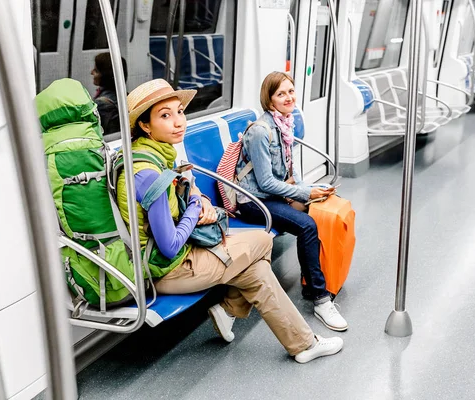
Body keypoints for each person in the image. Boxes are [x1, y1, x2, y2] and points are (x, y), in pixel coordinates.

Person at [116, 79, 343, 363]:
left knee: (256, 266)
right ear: (145, 126)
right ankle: (232, 310)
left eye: (179, 112)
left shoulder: (155, 155)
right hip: (168, 270)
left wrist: (201, 202)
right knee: (260, 245)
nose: (178, 122)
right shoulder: (148, 173)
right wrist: (196, 209)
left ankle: (301, 343)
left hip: (177, 258)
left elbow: (187, 185)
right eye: (165, 115)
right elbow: (170, 245)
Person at [235, 71, 348, 332]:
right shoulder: (261, 132)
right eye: (281, 93)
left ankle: (317, 280)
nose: (288, 97)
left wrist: (312, 188)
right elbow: (265, 183)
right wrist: (305, 194)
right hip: (254, 201)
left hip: (274, 195)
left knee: (328, 207)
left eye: (291, 91)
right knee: (307, 225)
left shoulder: (285, 124)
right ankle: (320, 300)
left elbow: (290, 174)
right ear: (269, 99)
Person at [91, 52, 128, 136]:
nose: (91, 72)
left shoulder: (102, 104)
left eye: (96, 71)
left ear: (105, 76)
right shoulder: (125, 96)